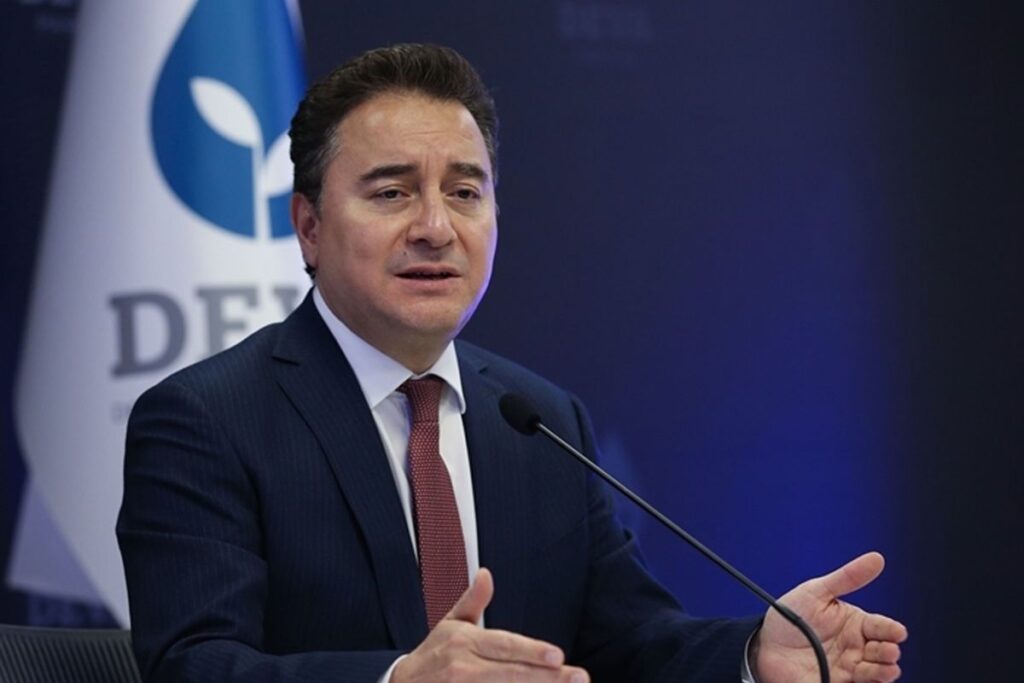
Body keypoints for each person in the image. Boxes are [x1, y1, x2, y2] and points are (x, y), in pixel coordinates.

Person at [117, 43, 907, 683]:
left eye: (465, 192)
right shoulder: (208, 420)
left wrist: (753, 655)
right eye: (392, 193)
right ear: (309, 227)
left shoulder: (539, 420)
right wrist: (398, 679)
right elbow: (193, 666)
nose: (435, 226)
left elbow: (631, 645)